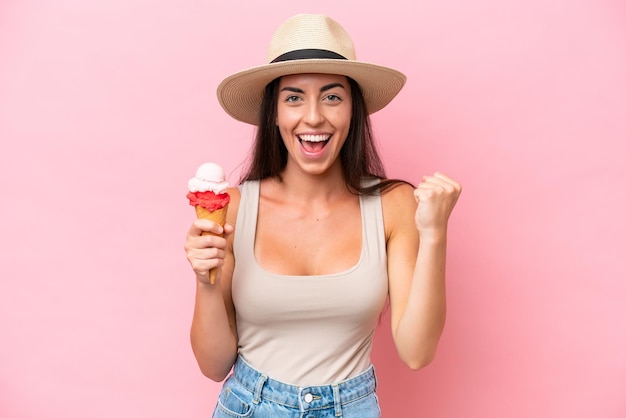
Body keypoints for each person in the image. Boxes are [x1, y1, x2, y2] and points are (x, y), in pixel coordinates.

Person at [184, 14, 462, 417]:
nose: (313, 117)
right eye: (294, 97)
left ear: (353, 110)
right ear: (274, 114)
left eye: (332, 97)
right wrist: (204, 280)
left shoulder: (393, 205)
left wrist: (435, 233)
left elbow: (417, 352)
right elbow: (213, 365)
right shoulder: (234, 207)